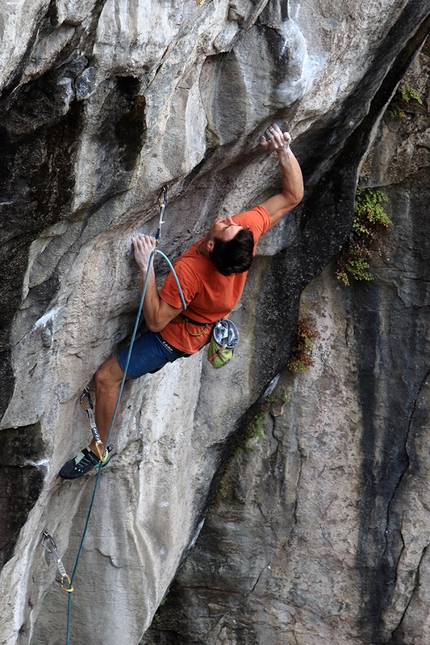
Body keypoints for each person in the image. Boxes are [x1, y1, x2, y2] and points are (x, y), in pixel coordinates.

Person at [59, 123, 304, 479]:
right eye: (230, 224)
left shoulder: (191, 274)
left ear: (209, 247)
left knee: (106, 378)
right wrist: (284, 151)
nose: (225, 220)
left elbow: (158, 321)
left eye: (224, 226)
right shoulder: (242, 239)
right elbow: (292, 196)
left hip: (174, 338)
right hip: (199, 316)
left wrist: (145, 268)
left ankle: (100, 450)